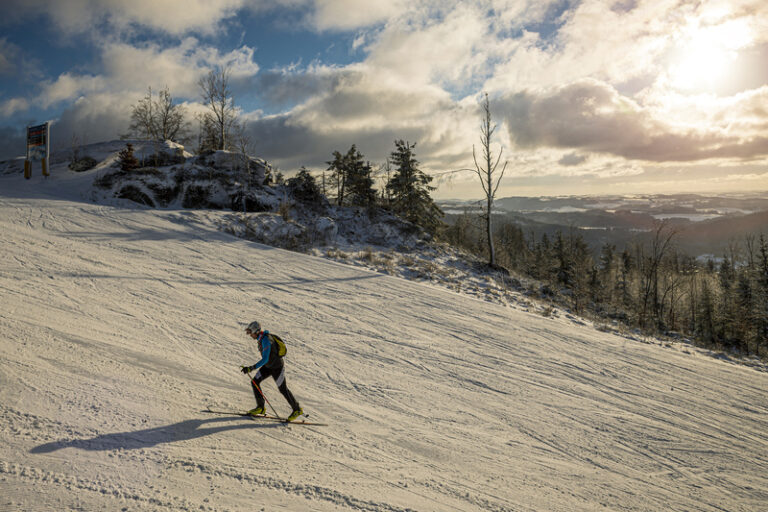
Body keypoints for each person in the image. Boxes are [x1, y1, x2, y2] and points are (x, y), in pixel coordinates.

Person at [240, 320, 303, 421]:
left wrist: (251, 368)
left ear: (256, 331)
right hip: (268, 366)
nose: (250, 335)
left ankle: (297, 409)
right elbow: (266, 360)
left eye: (250, 332)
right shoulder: (261, 338)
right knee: (255, 382)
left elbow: (265, 359)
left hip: (277, 368)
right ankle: (260, 408)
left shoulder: (266, 340)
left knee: (283, 389)